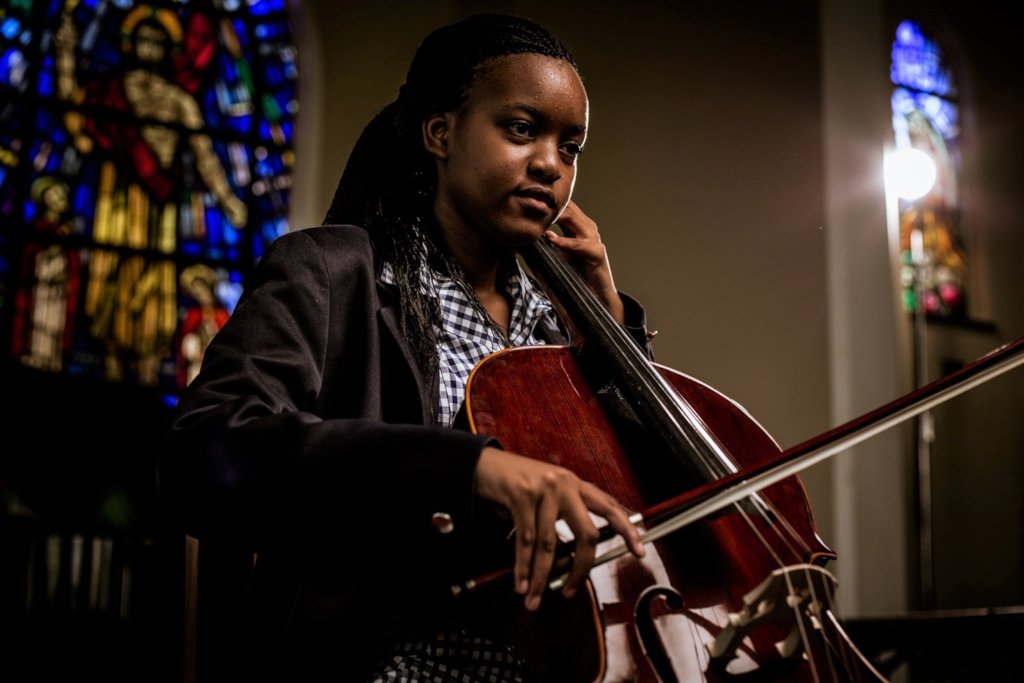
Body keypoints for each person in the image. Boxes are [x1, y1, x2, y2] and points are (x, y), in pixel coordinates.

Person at [158, 13, 650, 682]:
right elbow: (205, 450)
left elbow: (655, 510)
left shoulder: (559, 326)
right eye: (522, 129)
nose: (550, 165)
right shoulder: (332, 272)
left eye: (572, 147)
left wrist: (608, 329)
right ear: (440, 132)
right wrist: (468, 468)